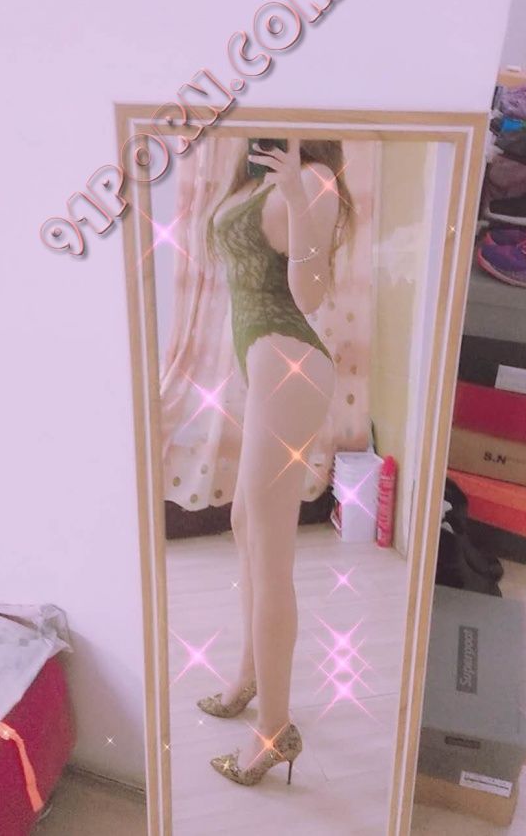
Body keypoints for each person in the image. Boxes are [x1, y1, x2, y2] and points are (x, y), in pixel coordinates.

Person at [197, 138, 354, 785]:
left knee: (270, 551)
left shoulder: (310, 174)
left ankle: (273, 730)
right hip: (268, 361)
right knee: (245, 525)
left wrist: (294, 192)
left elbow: (309, 293)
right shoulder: (254, 165)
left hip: (289, 361)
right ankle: (248, 676)